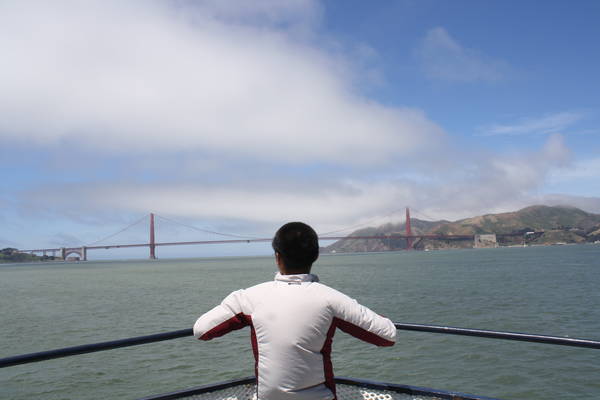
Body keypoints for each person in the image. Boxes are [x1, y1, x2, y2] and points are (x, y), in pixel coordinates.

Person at [193, 222, 396, 400]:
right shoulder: (331, 299)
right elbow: (387, 335)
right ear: (315, 255)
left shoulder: (248, 298)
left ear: (277, 256)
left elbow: (202, 330)